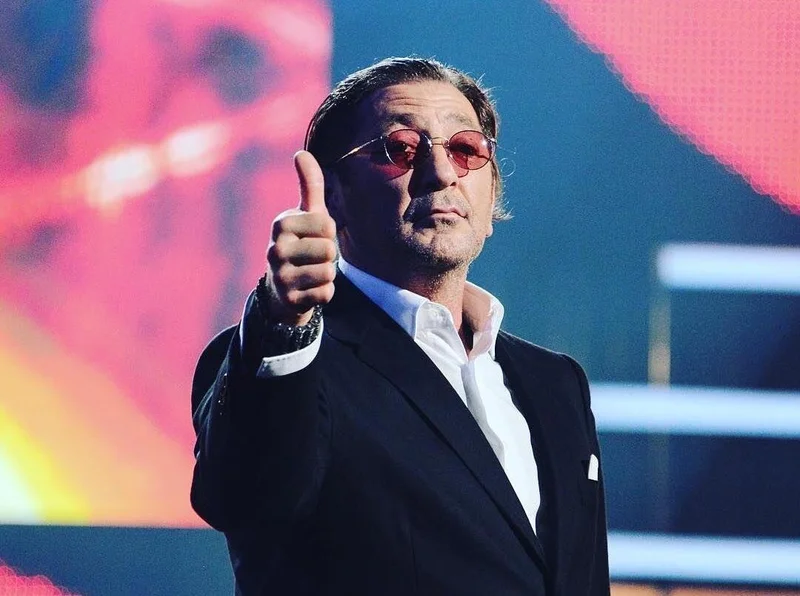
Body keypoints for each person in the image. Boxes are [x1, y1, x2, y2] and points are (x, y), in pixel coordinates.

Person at [190, 57, 610, 595]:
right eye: (402, 149)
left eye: (466, 149)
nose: (442, 173)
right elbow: (244, 497)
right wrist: (282, 321)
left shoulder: (556, 382)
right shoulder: (285, 361)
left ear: (492, 193)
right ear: (334, 193)